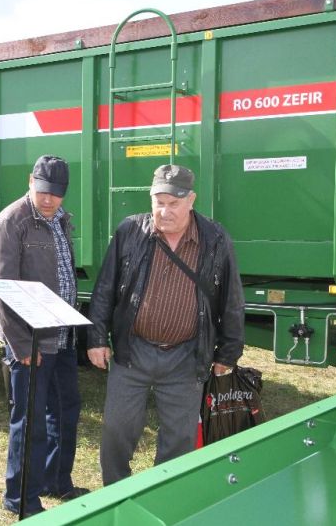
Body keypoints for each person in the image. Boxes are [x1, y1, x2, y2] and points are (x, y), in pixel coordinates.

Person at [86, 164, 245, 486]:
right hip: (133, 351)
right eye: (159, 202)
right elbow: (105, 287)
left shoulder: (214, 239)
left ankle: (163, 494)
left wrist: (228, 354)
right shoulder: (130, 232)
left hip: (186, 356)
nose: (165, 210)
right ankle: (115, 494)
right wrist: (96, 338)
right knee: (117, 431)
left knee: (179, 439)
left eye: (173, 203)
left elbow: (231, 298)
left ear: (191, 200)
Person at [0, 155, 88, 516]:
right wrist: (19, 343)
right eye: (43, 191)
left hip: (61, 336)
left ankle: (56, 481)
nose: (48, 199)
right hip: (29, 341)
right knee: (29, 422)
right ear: (30, 181)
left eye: (56, 194)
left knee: (65, 411)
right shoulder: (11, 222)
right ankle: (20, 499)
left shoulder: (61, 220)